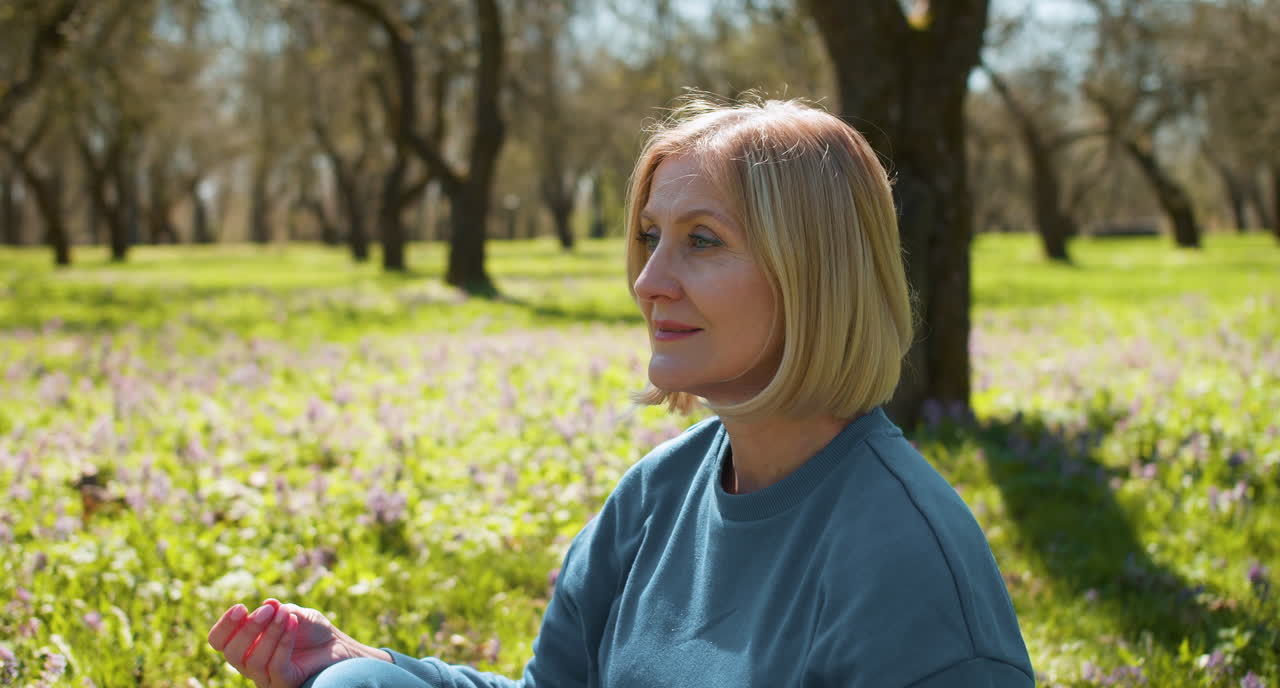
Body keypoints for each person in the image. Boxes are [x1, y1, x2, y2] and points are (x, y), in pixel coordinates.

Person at [208, 96, 1035, 687]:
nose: (649, 281)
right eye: (649, 238)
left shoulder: (904, 566)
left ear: (812, 274)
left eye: (701, 241)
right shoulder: (657, 494)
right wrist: (371, 667)